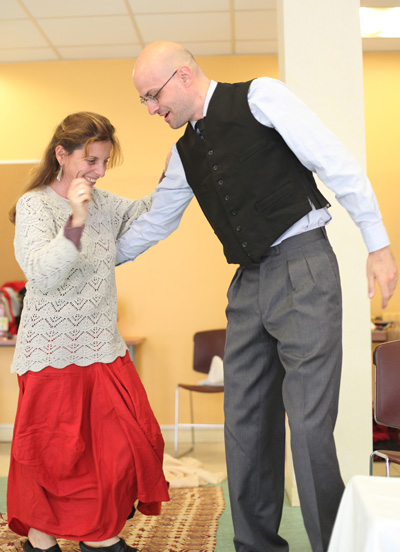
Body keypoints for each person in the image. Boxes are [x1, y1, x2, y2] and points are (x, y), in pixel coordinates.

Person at [115, 41, 398, 552]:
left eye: (153, 96)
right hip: (247, 283)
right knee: (244, 425)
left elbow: (333, 161)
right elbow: (155, 222)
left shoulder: (260, 97)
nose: (152, 109)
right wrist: (93, 260)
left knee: (308, 428)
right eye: (144, 101)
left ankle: (334, 546)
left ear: (183, 76)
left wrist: (377, 243)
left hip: (304, 266)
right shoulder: (182, 155)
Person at [7, 112, 171, 552]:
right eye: (91, 161)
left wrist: (173, 174)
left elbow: (145, 212)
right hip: (51, 353)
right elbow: (43, 274)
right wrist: (76, 218)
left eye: (104, 162)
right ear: (62, 155)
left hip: (102, 346)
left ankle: (95, 534)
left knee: (128, 446)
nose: (99, 172)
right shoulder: (36, 205)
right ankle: (44, 539)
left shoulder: (104, 203)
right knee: (54, 457)